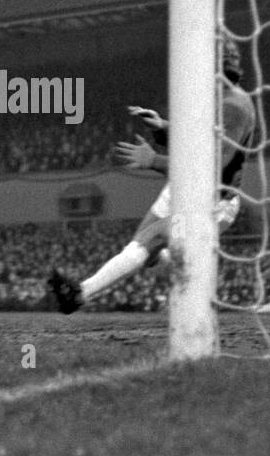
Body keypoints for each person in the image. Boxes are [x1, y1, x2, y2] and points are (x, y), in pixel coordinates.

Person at [46, 40, 255, 313]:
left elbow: (210, 168)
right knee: (142, 246)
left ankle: (79, 294)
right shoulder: (214, 98)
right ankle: (181, 263)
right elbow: (195, 142)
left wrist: (153, 160)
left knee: (154, 237)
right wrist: (163, 128)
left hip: (214, 202)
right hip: (183, 189)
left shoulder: (234, 107)